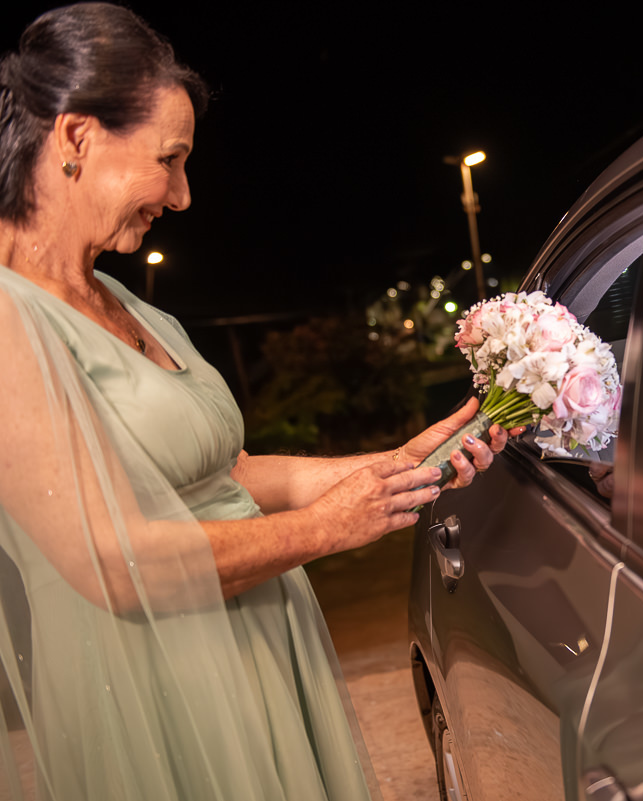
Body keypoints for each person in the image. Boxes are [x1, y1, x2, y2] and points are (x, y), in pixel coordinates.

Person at [0, 4, 517, 798]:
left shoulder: (125, 302)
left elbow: (228, 473)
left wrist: (392, 465)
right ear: (77, 137)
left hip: (256, 643)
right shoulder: (9, 316)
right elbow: (113, 564)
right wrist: (326, 527)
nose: (182, 195)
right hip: (166, 688)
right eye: (170, 159)